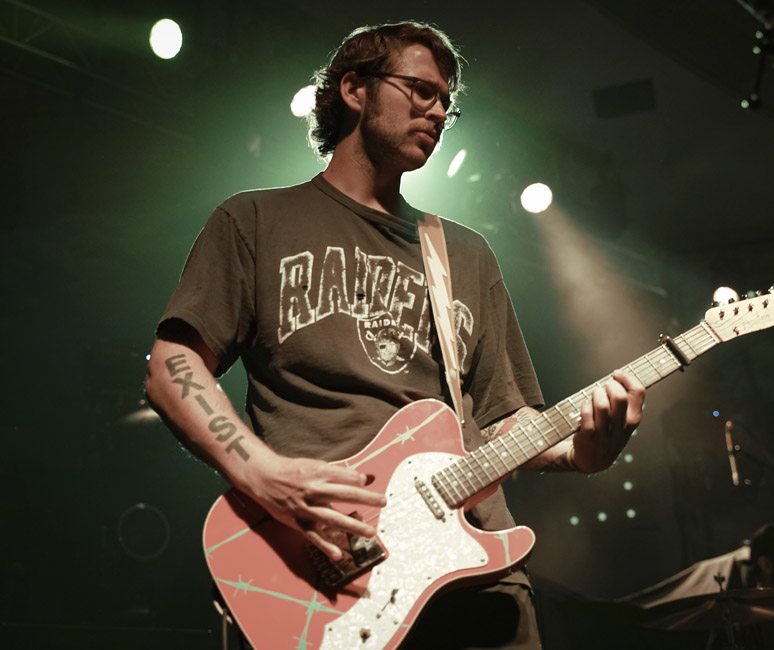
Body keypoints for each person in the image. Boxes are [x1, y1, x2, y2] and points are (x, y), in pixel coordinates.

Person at [144, 20, 645, 649]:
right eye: (421, 91)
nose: (437, 112)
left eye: (446, 104)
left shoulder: (465, 253)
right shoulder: (255, 221)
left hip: (478, 580)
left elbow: (503, 417)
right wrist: (261, 473)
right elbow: (171, 366)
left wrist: (579, 453)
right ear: (355, 88)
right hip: (332, 570)